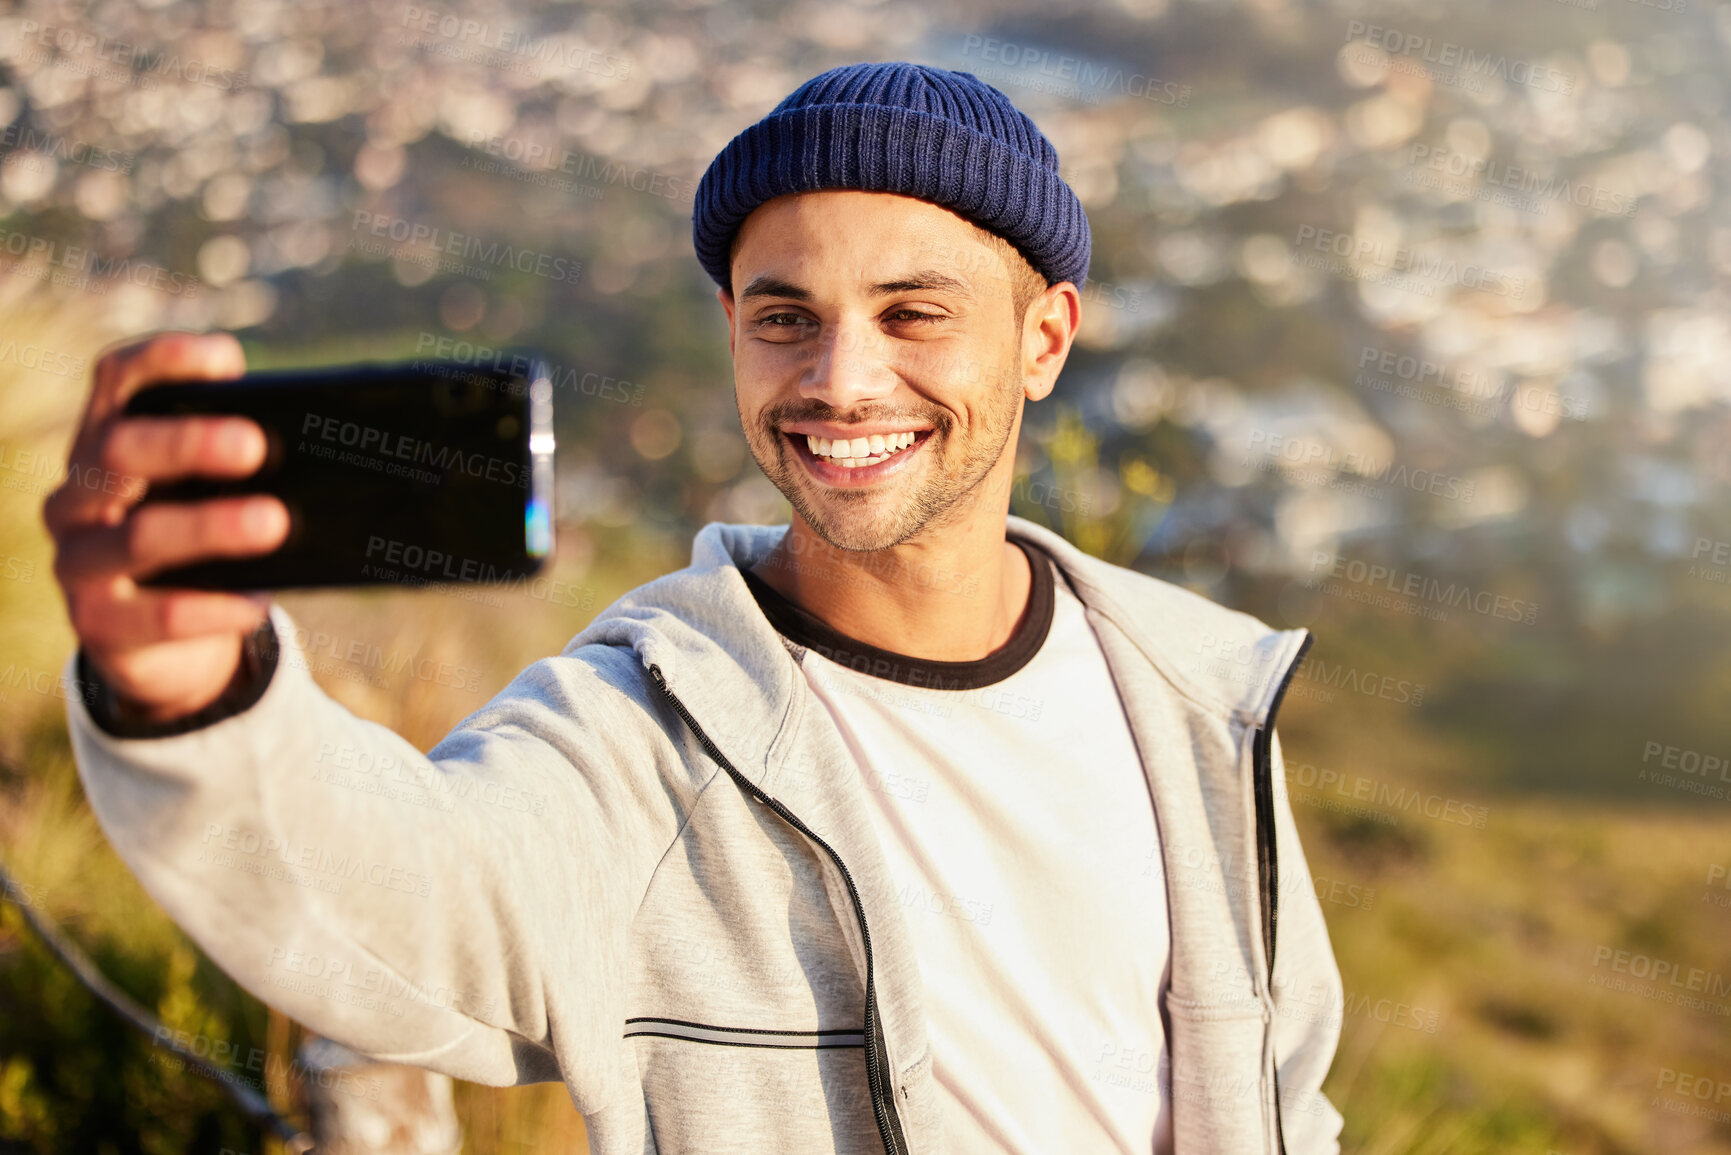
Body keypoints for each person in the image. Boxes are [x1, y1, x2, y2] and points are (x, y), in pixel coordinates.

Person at [47, 62, 1342, 1154]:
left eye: (914, 314)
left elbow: (1287, 1092)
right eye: (787, 318)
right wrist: (191, 696)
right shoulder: (639, 729)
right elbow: (399, 904)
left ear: (1044, 341)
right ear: (732, 328)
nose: (841, 379)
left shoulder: (1199, 698)